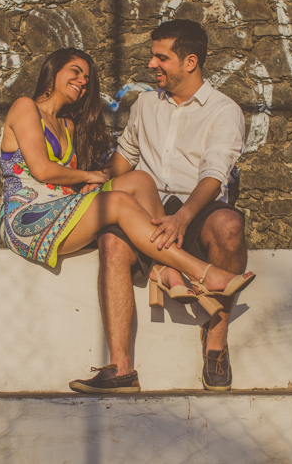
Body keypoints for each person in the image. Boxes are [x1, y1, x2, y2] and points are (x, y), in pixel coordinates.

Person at [0, 47, 254, 392]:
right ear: (53, 71)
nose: (82, 81)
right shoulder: (25, 107)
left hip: (62, 207)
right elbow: (43, 170)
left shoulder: (68, 124)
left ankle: (166, 269)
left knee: (140, 180)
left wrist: (94, 180)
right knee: (118, 201)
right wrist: (92, 176)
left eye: (87, 77)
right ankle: (199, 271)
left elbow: (88, 177)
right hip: (29, 217)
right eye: (75, 71)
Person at [69, 20, 249, 393]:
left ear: (190, 62)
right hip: (146, 209)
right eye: (153, 56)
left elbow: (214, 175)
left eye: (161, 58)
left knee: (229, 225)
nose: (152, 64)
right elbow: (125, 157)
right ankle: (121, 370)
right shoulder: (145, 104)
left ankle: (216, 341)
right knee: (111, 242)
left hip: (196, 209)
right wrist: (96, 180)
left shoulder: (224, 110)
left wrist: (182, 218)